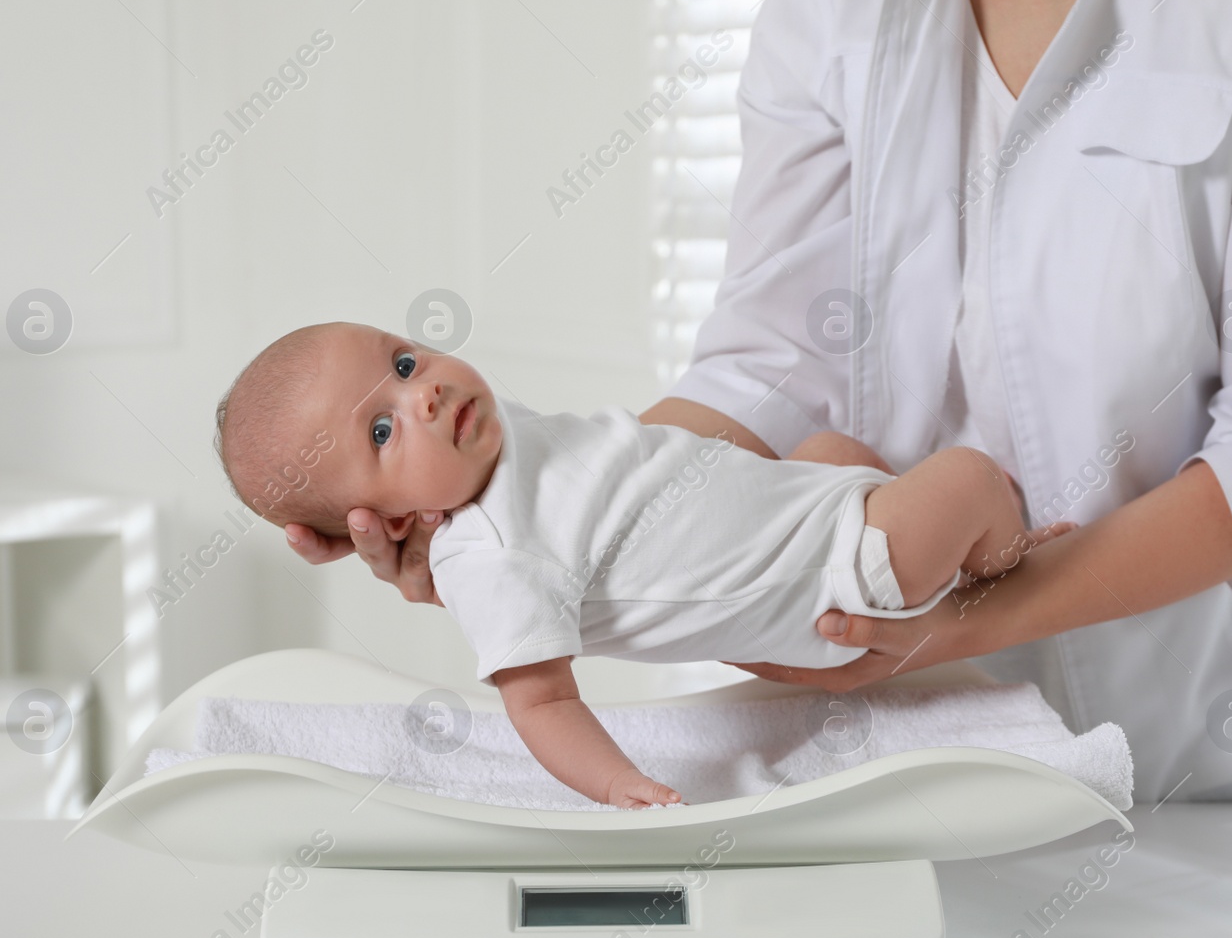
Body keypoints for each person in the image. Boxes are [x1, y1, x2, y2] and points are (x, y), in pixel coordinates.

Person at [288, 0, 1232, 807]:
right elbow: (767, 365)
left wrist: (962, 615)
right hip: (947, 762)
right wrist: (522, 531)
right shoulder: (829, 9)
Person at [215, 322, 1070, 806]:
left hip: (806, 504)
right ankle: (1007, 555)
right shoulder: (490, 556)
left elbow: (636, 470)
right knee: (966, 478)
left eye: (403, 364)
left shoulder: (495, 441)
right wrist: (621, 783)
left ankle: (950, 548)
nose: (424, 391)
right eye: (382, 429)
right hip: (831, 581)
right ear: (394, 519)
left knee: (830, 446)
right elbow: (539, 698)